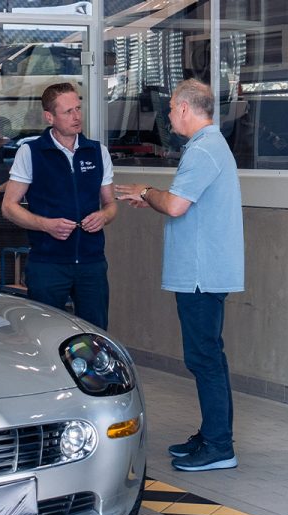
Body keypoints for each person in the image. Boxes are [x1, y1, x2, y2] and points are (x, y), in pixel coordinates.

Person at [113, 79, 244, 473]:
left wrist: (146, 190)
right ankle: (213, 435)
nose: (168, 116)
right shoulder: (207, 147)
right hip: (203, 274)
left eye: (171, 109)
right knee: (208, 357)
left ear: (186, 109)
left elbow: (174, 206)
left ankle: (220, 446)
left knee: (205, 358)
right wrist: (153, 196)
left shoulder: (204, 149)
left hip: (202, 276)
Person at [1, 83, 117, 327]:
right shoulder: (31, 152)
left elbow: (110, 205)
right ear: (49, 116)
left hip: (91, 263)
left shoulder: (97, 152)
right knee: (45, 334)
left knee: (95, 335)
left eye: (78, 109)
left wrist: (103, 216)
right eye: (68, 112)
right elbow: (9, 207)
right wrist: (45, 225)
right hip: (48, 263)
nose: (76, 117)